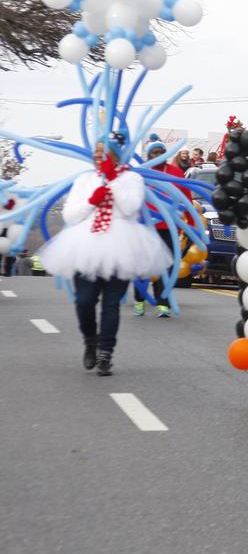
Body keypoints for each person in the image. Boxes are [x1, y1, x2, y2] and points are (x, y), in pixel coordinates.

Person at [39, 133, 172, 376]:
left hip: (121, 246)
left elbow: (130, 208)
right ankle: (90, 340)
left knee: (112, 304)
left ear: (115, 154)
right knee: (84, 301)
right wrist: (92, 200)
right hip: (86, 245)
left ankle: (105, 353)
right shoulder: (85, 179)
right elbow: (70, 215)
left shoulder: (131, 178)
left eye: (104, 152)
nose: (99, 156)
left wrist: (112, 180)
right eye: (96, 152)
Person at [133, 140, 190, 318]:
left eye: (161, 152)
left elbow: (186, 198)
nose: (158, 156)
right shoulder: (142, 172)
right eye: (154, 153)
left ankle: (163, 303)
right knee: (143, 265)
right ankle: (139, 299)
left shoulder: (175, 172)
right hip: (146, 226)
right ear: (148, 155)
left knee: (168, 265)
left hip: (169, 227)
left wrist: (191, 225)